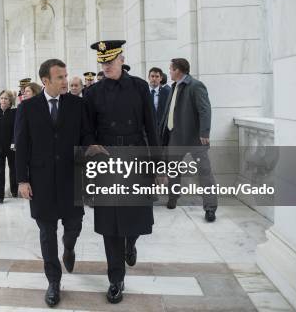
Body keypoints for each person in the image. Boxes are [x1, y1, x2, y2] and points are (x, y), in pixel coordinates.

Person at [83, 40, 159, 304]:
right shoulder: (92, 93)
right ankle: (116, 279)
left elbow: (152, 126)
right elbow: (88, 130)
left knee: (136, 215)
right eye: (102, 62)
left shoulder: (139, 87)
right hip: (107, 161)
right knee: (110, 225)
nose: (106, 66)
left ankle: (131, 242)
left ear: (121, 59)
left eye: (110, 61)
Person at [15, 59, 95, 307]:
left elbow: (87, 136)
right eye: (59, 77)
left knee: (74, 226)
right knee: (47, 233)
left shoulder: (77, 104)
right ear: (45, 81)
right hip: (41, 182)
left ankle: (69, 248)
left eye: (66, 76)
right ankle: (53, 281)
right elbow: (22, 147)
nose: (65, 81)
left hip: (72, 179)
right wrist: (22, 180)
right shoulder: (27, 108)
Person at [160, 58, 217, 221]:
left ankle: (210, 207)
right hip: (175, 137)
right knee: (173, 170)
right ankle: (173, 199)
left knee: (204, 172)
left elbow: (205, 110)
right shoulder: (174, 86)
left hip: (195, 139)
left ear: (178, 70)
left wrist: (204, 133)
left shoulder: (196, 85)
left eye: (170, 69)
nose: (169, 72)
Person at [0, 90, 17, 203]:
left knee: (13, 169)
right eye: (1, 98)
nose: (3, 100)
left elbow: (16, 129)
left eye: (6, 98)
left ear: (10, 101)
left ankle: (14, 191)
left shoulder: (15, 112)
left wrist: (14, 142)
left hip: (11, 147)